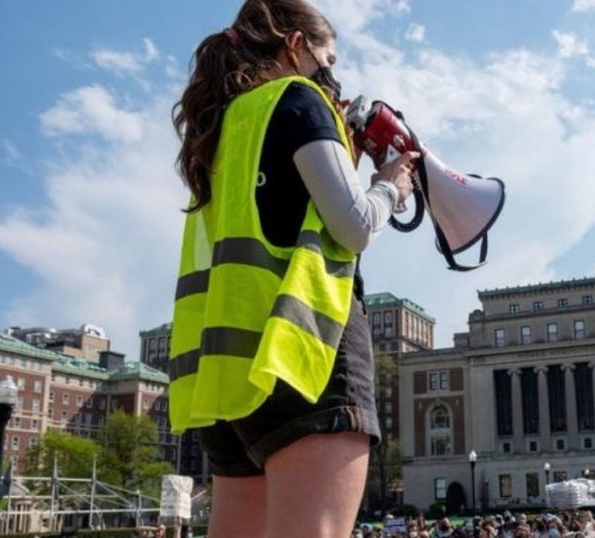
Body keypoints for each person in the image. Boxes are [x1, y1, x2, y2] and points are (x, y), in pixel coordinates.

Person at [169, 1, 417, 537]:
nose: (332, 75)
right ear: (296, 46)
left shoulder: (221, 128)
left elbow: (278, 214)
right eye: (328, 58)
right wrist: (390, 187)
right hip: (306, 352)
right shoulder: (299, 98)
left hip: (228, 377)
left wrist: (341, 160)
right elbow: (353, 228)